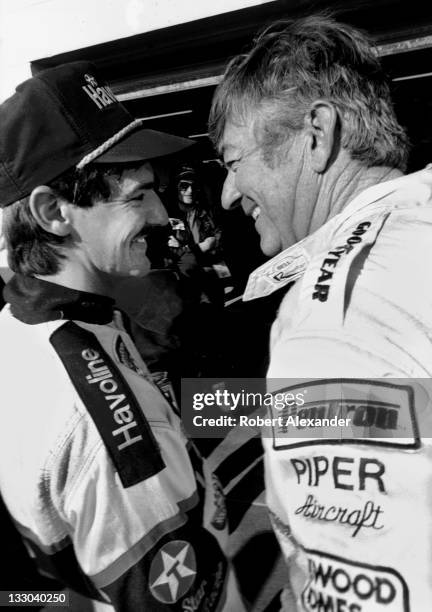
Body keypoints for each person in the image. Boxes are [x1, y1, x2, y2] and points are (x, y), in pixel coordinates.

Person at [0, 62, 245, 611]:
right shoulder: (105, 428)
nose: (162, 215)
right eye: (137, 197)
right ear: (52, 212)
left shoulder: (27, 328)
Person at [209, 13, 432, 611]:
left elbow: (374, 590)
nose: (228, 195)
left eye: (233, 162)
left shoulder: (332, 322)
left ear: (316, 134)